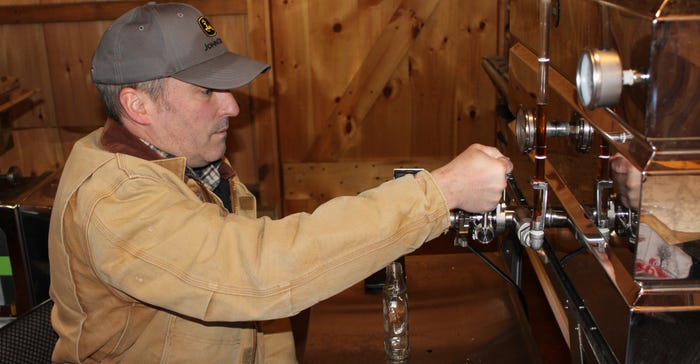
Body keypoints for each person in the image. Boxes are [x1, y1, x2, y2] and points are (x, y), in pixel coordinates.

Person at [48, 3, 513, 363]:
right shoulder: (117, 200)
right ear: (138, 106)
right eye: (206, 92)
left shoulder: (180, 160)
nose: (231, 107)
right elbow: (260, 274)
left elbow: (256, 316)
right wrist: (441, 191)